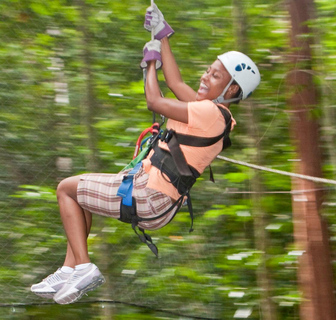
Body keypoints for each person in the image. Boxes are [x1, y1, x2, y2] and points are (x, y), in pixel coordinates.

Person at [30, 4, 260, 305]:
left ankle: (83, 267)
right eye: (208, 69)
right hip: (155, 198)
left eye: (215, 75)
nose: (205, 77)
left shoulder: (210, 113)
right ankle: (69, 269)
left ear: (231, 90)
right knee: (79, 193)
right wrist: (162, 35)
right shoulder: (217, 115)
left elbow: (154, 97)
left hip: (149, 194)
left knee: (66, 190)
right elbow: (175, 84)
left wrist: (150, 63)